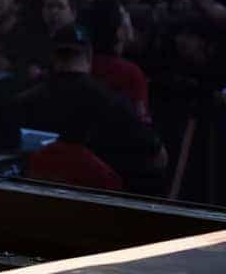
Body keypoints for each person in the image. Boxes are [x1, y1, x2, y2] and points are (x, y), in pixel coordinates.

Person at [14, 24, 166, 194]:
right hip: (96, 205)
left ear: (52, 57)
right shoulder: (112, 101)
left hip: (35, 201)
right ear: (89, 55)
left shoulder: (24, 102)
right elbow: (158, 157)